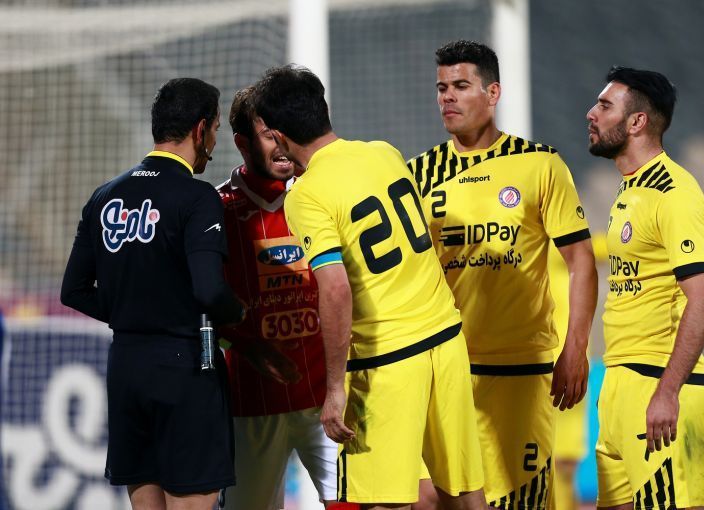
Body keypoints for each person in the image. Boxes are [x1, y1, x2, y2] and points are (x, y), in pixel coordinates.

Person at [252, 64, 486, 509]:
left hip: (387, 362)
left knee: (383, 501)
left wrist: (335, 389)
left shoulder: (306, 194)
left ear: (279, 136)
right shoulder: (384, 152)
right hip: (446, 342)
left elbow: (335, 290)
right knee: (465, 493)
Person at [407, 40, 598, 508]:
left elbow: (581, 261)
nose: (447, 97)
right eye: (441, 88)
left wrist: (575, 348)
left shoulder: (540, 165)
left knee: (520, 501)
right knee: (428, 498)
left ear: (493, 93)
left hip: (522, 370)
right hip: (447, 365)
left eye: (460, 86)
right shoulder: (418, 174)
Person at [60, 78, 244, 510]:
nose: (214, 143)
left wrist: (131, 311)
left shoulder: (104, 196)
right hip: (185, 368)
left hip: (126, 368)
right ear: (200, 129)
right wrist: (240, 313)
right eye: (216, 130)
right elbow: (209, 290)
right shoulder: (197, 198)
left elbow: (73, 290)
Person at [586, 66, 704, 510]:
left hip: (658, 384)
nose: (591, 113)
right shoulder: (630, 191)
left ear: (637, 121)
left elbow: (703, 299)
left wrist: (667, 392)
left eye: (605, 106)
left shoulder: (675, 192)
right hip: (620, 381)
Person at [215, 85, 337, 509]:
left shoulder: (322, 194)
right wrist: (244, 343)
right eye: (269, 135)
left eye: (285, 131)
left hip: (327, 399)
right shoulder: (217, 210)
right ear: (242, 143)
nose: (282, 143)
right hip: (252, 406)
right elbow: (201, 301)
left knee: (360, 501)